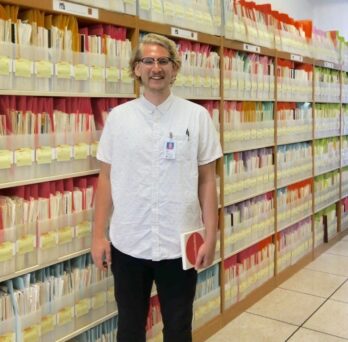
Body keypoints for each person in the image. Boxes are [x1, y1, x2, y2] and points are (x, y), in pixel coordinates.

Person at [91, 33, 222, 342]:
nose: (156, 67)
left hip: (180, 244)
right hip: (129, 242)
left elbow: (207, 179)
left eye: (163, 61)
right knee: (130, 327)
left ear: (175, 69)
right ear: (136, 69)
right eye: (147, 61)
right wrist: (98, 235)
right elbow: (106, 177)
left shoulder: (197, 117)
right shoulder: (119, 119)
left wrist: (211, 234)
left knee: (178, 329)